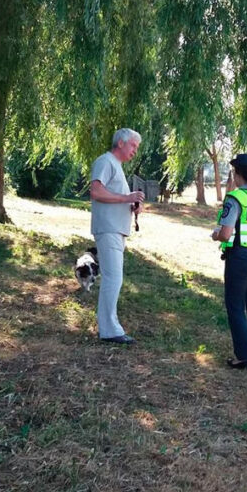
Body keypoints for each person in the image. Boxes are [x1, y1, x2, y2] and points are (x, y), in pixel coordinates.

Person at [211, 153, 247, 369]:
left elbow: (226, 234)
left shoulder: (235, 198)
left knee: (235, 306)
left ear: (238, 174)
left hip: (240, 258)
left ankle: (244, 356)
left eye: (234, 173)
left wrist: (215, 234)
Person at [89, 128, 145, 344]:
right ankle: (110, 330)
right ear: (121, 143)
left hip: (116, 229)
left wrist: (131, 205)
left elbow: (114, 198)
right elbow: (96, 192)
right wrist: (126, 197)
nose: (135, 151)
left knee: (114, 278)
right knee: (114, 278)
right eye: (133, 145)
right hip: (108, 228)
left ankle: (108, 327)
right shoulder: (105, 161)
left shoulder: (117, 166)